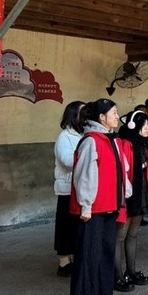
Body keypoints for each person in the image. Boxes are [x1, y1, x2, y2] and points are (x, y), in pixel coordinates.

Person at [68, 99, 130, 295]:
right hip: (93, 208)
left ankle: (103, 293)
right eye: (114, 113)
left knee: (105, 250)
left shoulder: (111, 139)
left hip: (110, 205)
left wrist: (123, 196)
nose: (117, 116)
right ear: (101, 117)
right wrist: (86, 205)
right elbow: (84, 175)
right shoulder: (91, 141)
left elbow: (121, 170)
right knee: (89, 254)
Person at [114, 110, 148, 292]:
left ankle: (131, 271)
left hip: (141, 195)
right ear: (133, 125)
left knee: (132, 235)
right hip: (127, 196)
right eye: (143, 124)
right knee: (120, 237)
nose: (147, 128)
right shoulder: (125, 144)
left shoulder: (145, 144)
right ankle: (117, 276)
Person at [53, 100, 85, 277]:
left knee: (76, 225)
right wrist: (87, 158)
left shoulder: (83, 134)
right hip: (67, 188)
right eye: (83, 112)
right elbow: (66, 160)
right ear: (74, 115)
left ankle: (74, 258)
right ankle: (64, 262)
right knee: (65, 226)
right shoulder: (64, 137)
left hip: (79, 187)